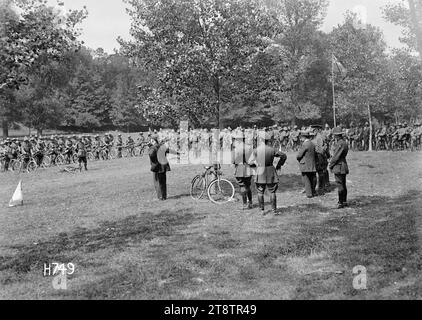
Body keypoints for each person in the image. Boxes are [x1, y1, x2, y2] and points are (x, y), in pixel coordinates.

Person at [249, 131, 287, 215]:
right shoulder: (272, 149)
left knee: (260, 192)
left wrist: (256, 167)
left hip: (260, 172)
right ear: (267, 140)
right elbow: (284, 156)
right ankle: (274, 210)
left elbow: (250, 162)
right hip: (271, 171)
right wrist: (279, 165)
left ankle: (261, 210)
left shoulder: (256, 150)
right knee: (272, 191)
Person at [148, 134, 181, 201]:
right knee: (163, 182)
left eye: (151, 140)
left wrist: (150, 147)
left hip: (156, 167)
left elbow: (151, 155)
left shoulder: (154, 147)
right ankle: (164, 196)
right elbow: (169, 150)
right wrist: (178, 153)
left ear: (153, 140)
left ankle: (160, 197)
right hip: (163, 166)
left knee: (157, 182)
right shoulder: (162, 146)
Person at [232, 131, 254, 210]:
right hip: (248, 168)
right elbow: (252, 159)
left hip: (240, 168)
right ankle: (250, 203)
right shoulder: (249, 147)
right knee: (248, 186)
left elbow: (233, 160)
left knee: (242, 186)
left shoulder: (236, 149)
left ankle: (244, 204)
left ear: (238, 140)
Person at [329, 127, 349, 209]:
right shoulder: (344, 142)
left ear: (337, 135)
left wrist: (330, 165)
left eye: (334, 135)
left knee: (340, 185)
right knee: (343, 184)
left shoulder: (340, 144)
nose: (333, 136)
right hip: (343, 165)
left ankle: (341, 202)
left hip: (339, 166)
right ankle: (344, 201)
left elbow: (336, 156)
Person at [297, 130, 317, 198]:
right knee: (312, 179)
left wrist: (298, 158)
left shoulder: (305, 144)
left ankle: (309, 194)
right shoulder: (312, 143)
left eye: (301, 137)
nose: (301, 139)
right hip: (312, 164)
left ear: (303, 137)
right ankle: (313, 192)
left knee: (306, 179)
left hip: (305, 164)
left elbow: (299, 155)